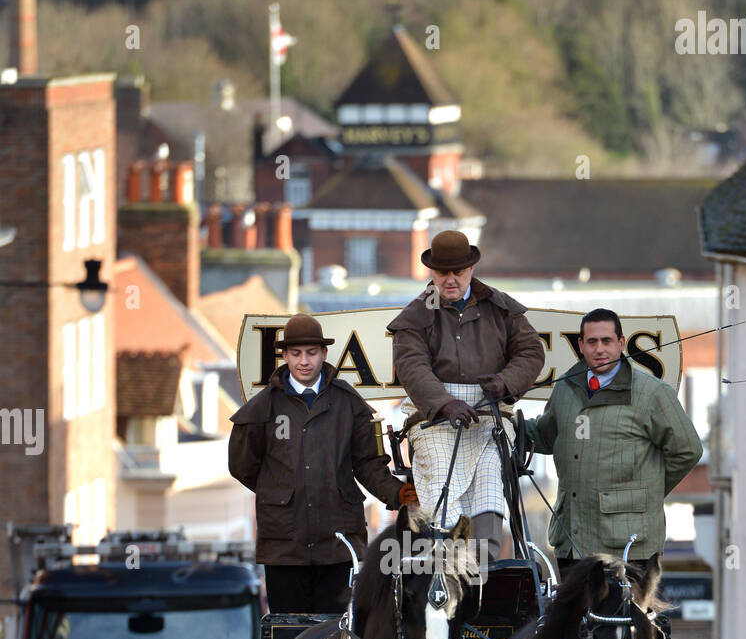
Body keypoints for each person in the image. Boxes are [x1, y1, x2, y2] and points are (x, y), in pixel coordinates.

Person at [229, 315, 416, 613]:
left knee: (336, 633)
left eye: (311, 353)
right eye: (296, 353)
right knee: (288, 637)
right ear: (284, 355)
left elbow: (367, 463)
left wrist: (397, 494)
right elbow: (242, 465)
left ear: (324, 354)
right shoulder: (264, 406)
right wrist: (278, 492)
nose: (304, 361)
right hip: (284, 546)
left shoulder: (349, 404)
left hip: (338, 543)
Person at [386, 230, 545, 565]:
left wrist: (504, 382)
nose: (450, 279)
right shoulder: (415, 316)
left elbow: (531, 353)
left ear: (471, 269)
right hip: (435, 421)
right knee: (440, 472)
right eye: (443, 272)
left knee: (490, 473)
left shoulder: (501, 309)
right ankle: (445, 560)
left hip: (489, 416)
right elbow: (411, 366)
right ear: (433, 273)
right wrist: (444, 403)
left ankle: (482, 562)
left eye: (457, 271)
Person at [523, 307, 703, 574]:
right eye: (592, 342)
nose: (600, 349)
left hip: (629, 544)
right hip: (572, 541)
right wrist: (507, 424)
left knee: (625, 616)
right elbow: (547, 436)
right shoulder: (564, 388)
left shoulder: (652, 393)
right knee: (574, 616)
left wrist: (645, 495)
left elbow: (688, 450)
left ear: (621, 343)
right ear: (581, 346)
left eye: (607, 341)